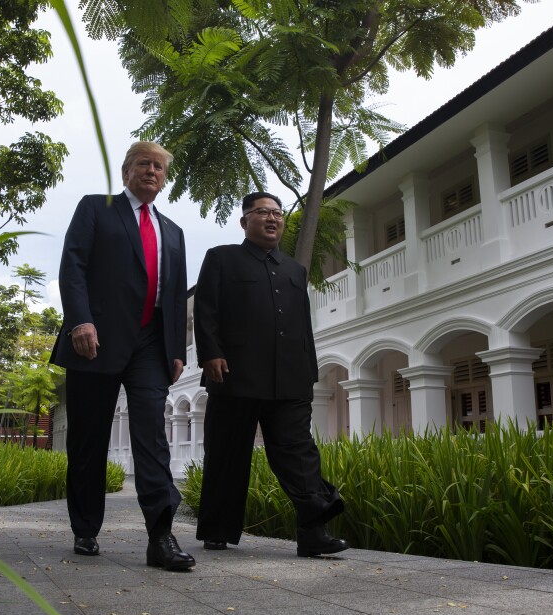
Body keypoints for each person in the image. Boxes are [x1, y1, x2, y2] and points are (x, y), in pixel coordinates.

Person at [50, 141, 195, 570]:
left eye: (159, 168)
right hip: (95, 338)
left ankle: (161, 537)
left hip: (150, 345)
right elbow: (72, 265)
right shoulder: (97, 208)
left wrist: (175, 349)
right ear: (126, 171)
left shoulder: (173, 231)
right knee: (89, 437)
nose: (152, 172)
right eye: (144, 165)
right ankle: (86, 528)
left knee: (152, 434)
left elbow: (172, 293)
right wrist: (80, 321)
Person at [193, 192, 348, 557]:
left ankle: (313, 534)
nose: (272, 219)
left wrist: (309, 371)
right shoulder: (221, 258)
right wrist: (210, 354)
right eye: (263, 212)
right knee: (227, 454)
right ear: (245, 221)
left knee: (299, 453)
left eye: (277, 213)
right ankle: (218, 530)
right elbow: (206, 309)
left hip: (290, 379)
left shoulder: (294, 270)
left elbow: (303, 326)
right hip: (234, 375)